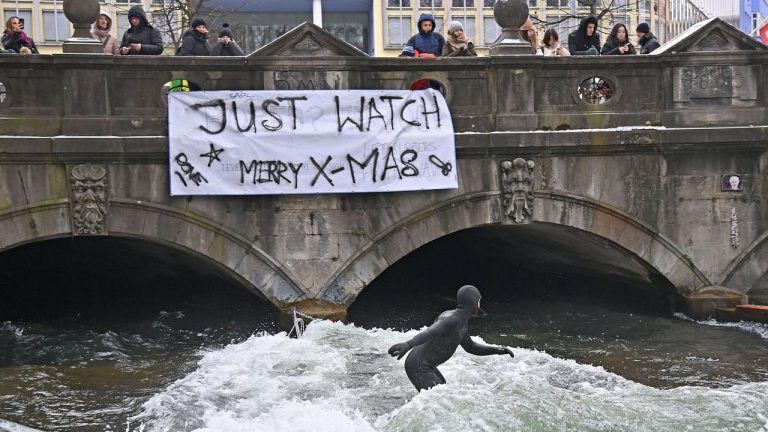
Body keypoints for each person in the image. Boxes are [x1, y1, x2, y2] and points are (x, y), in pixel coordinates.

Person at [388, 285, 515, 392]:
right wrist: (408, 344)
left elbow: (471, 347)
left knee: (443, 391)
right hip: (419, 366)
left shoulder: (462, 323)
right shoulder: (450, 319)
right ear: (473, 302)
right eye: (479, 301)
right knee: (438, 398)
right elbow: (430, 332)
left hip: (426, 365)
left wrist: (497, 350)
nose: (479, 305)